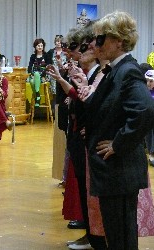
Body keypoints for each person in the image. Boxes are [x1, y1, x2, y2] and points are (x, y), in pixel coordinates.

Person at [86, 11, 154, 249]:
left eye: (101, 38)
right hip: (114, 173)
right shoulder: (116, 70)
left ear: (119, 41)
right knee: (116, 236)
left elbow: (145, 111)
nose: (95, 44)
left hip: (120, 171)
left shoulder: (128, 70)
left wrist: (118, 143)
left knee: (121, 238)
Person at [27, 38, 49, 106]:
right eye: (38, 46)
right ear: (35, 47)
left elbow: (48, 67)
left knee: (36, 75)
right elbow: (30, 67)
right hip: (34, 76)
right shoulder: (33, 56)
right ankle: (37, 95)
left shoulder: (46, 55)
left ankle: (37, 96)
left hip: (43, 76)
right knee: (31, 81)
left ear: (43, 47)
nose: (40, 47)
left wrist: (42, 76)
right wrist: (31, 74)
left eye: (41, 46)